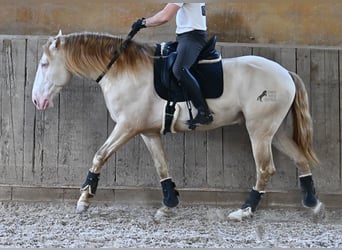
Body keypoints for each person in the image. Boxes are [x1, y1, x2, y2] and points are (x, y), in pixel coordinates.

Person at [131, 3, 213, 126]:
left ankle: (203, 111)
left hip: (192, 38)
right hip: (185, 37)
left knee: (179, 69)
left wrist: (143, 23)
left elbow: (165, 16)